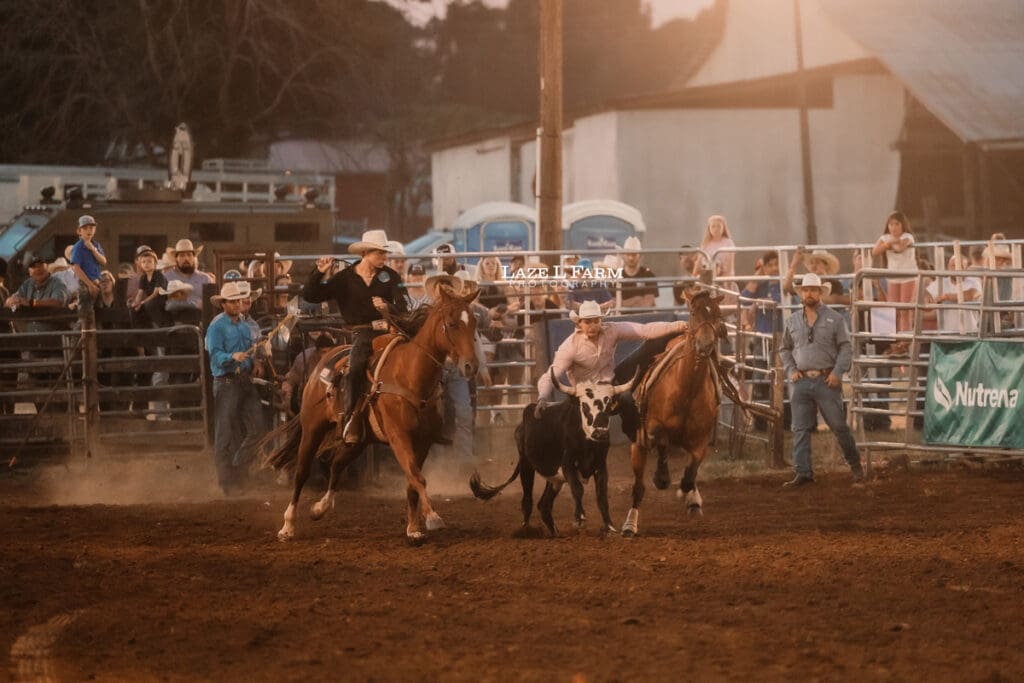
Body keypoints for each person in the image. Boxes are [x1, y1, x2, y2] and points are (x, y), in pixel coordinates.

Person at [301, 229, 408, 443]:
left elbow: (404, 307)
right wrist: (319, 273)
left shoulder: (391, 277)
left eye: (385, 253)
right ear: (365, 253)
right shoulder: (345, 279)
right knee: (356, 366)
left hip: (390, 330)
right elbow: (311, 295)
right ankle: (351, 417)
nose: (385, 257)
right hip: (362, 333)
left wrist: (387, 308)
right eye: (380, 253)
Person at [536, 300, 687, 442]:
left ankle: (634, 434)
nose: (592, 326)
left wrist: (681, 326)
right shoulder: (570, 346)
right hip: (585, 394)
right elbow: (551, 374)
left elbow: (644, 330)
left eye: (596, 321)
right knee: (622, 400)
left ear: (601, 320)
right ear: (579, 323)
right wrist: (542, 396)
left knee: (652, 346)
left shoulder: (611, 330)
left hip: (610, 384)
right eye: (587, 322)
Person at [779, 273, 864, 487]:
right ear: (801, 293)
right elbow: (784, 349)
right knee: (800, 428)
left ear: (820, 293)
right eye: (806, 290)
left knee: (838, 425)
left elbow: (846, 347)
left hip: (827, 379)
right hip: (801, 380)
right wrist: (791, 370)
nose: (809, 293)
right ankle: (803, 471)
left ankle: (856, 465)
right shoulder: (792, 321)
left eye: (813, 290)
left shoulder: (835, 319)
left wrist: (837, 372)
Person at [205, 280, 264, 495]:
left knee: (258, 429)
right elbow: (215, 355)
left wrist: (255, 361)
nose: (237, 304)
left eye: (239, 301)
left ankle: (237, 469)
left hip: (243, 380)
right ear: (223, 304)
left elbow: (251, 349)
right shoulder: (216, 326)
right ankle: (227, 481)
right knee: (225, 433)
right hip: (226, 382)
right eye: (232, 301)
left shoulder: (244, 326)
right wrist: (232, 356)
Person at [871, 211, 916, 333]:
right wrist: (889, 242)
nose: (893, 227)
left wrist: (889, 243)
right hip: (893, 276)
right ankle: (896, 338)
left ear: (902, 225)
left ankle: (905, 339)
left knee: (905, 310)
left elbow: (900, 248)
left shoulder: (907, 236)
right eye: (891, 224)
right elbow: (875, 251)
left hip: (908, 275)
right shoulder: (885, 238)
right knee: (894, 310)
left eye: (897, 224)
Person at [925, 255, 981, 334]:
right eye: (953, 265)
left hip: (970, 333)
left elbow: (971, 295)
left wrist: (946, 297)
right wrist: (927, 297)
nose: (956, 269)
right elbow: (925, 295)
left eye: (960, 266)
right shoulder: (941, 283)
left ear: (966, 268)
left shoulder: (974, 281)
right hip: (946, 334)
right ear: (948, 267)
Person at [164, 238, 216, 312]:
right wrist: (193, 305)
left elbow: (211, 302)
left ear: (194, 257)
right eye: (182, 256)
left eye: (189, 255)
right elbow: (164, 303)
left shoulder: (205, 278)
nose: (186, 258)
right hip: (175, 316)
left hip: (199, 317)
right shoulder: (167, 277)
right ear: (176, 259)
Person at [69, 215, 108, 312]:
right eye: (85, 228)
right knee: (86, 314)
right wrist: (90, 285)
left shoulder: (96, 245)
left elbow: (103, 262)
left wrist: (93, 250)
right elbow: (76, 268)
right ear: (79, 231)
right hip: (85, 284)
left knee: (99, 313)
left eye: (91, 227)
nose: (89, 230)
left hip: (97, 282)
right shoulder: (78, 247)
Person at [618, 236, 657, 309]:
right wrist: (636, 299)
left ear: (640, 255)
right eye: (628, 254)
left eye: (634, 254)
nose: (631, 258)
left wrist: (623, 303)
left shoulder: (648, 275)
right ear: (623, 255)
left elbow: (647, 304)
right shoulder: (617, 275)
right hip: (622, 316)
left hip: (644, 316)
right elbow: (614, 303)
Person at [697, 214, 736, 280]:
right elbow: (698, 265)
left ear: (723, 228)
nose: (716, 229)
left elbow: (730, 266)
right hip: (708, 277)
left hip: (724, 278)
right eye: (713, 226)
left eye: (719, 226)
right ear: (709, 228)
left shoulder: (728, 243)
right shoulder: (705, 244)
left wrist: (727, 280)